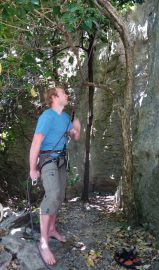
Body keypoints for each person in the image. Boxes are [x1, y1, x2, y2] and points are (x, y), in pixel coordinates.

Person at [29, 87, 81, 265]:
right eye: (63, 93)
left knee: (58, 197)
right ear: (53, 97)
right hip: (47, 159)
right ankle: (43, 243)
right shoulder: (47, 117)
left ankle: (51, 229)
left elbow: (74, 136)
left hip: (61, 160)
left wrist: (76, 128)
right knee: (51, 195)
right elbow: (36, 143)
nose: (67, 94)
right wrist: (32, 168)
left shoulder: (66, 117)